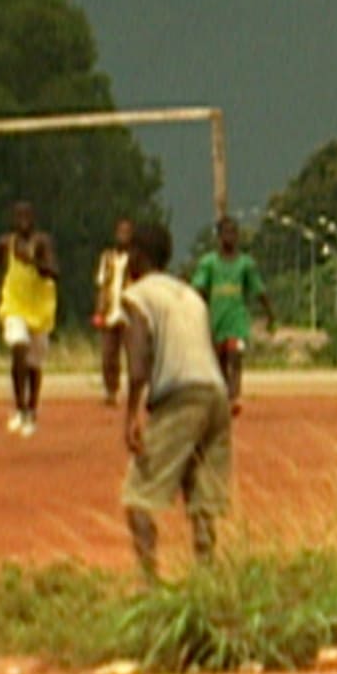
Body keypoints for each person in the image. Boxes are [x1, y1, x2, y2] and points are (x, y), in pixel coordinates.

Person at [120, 221, 232, 580]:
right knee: (202, 500)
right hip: (216, 394)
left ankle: (149, 584)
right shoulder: (190, 294)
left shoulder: (138, 295)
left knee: (138, 496)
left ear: (137, 255)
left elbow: (137, 363)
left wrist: (131, 415)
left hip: (181, 395)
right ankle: (207, 580)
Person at [0, 201, 57, 437]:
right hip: (14, 305)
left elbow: (55, 271)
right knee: (18, 349)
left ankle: (32, 407)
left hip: (40, 309)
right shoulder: (5, 244)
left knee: (34, 364)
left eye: (27, 216)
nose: (23, 221)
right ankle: (20, 406)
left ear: (34, 219)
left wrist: (33, 261)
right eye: (18, 217)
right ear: (12, 220)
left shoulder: (42, 242)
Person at [189, 216, 274, 407]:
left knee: (235, 357)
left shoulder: (246, 264)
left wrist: (270, 314)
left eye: (234, 233)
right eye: (226, 233)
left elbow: (258, 290)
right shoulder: (209, 263)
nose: (231, 237)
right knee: (219, 361)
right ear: (219, 237)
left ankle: (234, 396)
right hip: (216, 320)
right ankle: (224, 394)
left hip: (237, 320)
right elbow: (199, 288)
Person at [92, 217, 134, 408]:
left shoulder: (136, 258)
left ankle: (136, 392)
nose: (123, 236)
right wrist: (99, 311)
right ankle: (111, 391)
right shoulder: (107, 258)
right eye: (120, 232)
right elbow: (102, 285)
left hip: (130, 313)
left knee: (134, 355)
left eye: (127, 232)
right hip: (111, 311)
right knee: (108, 355)